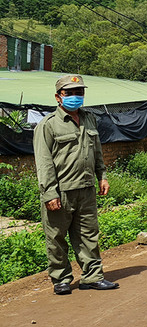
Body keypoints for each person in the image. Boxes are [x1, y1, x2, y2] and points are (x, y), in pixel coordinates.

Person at [33, 75, 119, 295]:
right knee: (56, 237)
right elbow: (44, 162)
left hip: (86, 189)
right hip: (60, 192)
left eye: (79, 92)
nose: (75, 97)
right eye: (69, 93)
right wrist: (49, 193)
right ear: (58, 97)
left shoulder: (89, 119)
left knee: (89, 235)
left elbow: (96, 151)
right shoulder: (48, 125)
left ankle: (92, 277)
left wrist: (102, 175)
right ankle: (61, 279)